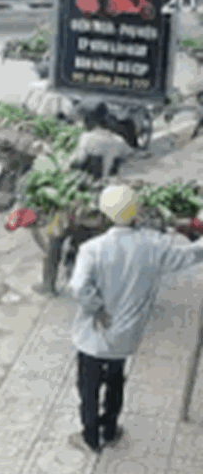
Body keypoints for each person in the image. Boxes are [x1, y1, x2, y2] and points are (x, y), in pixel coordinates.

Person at [65, 184, 203, 455]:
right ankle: (110, 429)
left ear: (103, 216)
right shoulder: (154, 245)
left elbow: (78, 286)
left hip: (93, 336)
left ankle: (90, 438)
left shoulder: (92, 249)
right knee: (116, 381)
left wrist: (96, 308)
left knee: (89, 389)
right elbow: (191, 255)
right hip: (125, 336)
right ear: (137, 214)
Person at [67, 102, 132, 181]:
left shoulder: (86, 137)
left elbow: (80, 158)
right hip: (110, 178)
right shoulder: (119, 140)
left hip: (89, 177)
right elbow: (127, 154)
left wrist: (68, 163)